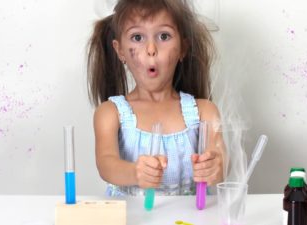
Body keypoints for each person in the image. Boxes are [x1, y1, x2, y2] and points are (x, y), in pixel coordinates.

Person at [87, 0, 225, 196]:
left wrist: (215, 167)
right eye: (137, 37)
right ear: (120, 50)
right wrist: (135, 173)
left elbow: (220, 160)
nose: (151, 48)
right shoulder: (110, 113)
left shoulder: (205, 111)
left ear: (183, 48)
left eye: (163, 36)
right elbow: (106, 164)